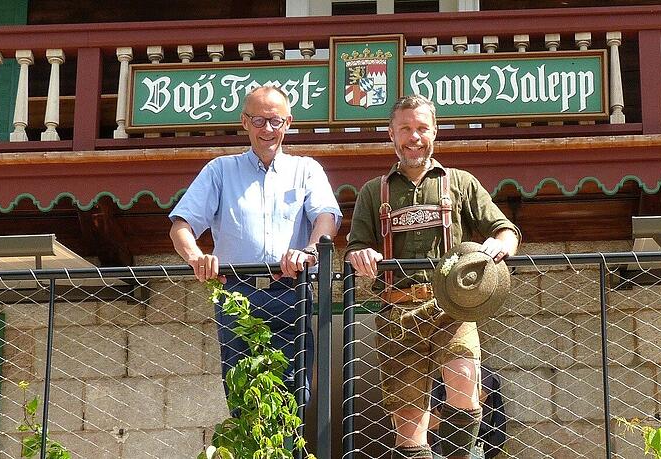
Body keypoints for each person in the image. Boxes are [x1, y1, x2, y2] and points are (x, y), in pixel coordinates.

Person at [345, 95, 520, 459]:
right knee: (409, 426)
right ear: (391, 134)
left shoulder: (460, 182)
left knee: (465, 381)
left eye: (422, 128)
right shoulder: (373, 191)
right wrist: (360, 255)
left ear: (435, 131)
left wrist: (500, 244)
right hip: (397, 314)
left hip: (451, 308)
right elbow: (355, 246)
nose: (414, 137)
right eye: (405, 129)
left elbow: (505, 230)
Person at [169, 85, 342, 399]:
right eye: (259, 121)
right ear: (244, 122)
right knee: (242, 395)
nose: (268, 129)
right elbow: (181, 226)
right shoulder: (219, 170)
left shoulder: (307, 170)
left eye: (275, 121)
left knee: (295, 395)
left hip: (291, 292)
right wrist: (196, 257)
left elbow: (326, 217)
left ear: (288, 123)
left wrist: (309, 251)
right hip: (237, 295)